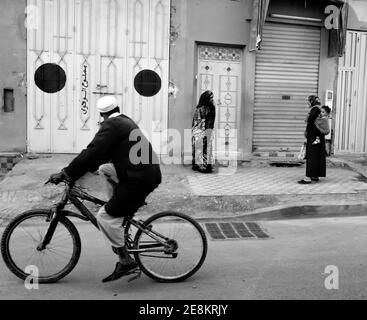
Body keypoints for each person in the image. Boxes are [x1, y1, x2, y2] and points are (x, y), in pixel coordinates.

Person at [49, 95, 162, 282]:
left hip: (138, 179)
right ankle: (118, 210)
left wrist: (66, 173)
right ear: (117, 107)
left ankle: (126, 260)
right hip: (143, 172)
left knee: (104, 216)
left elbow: (93, 151)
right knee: (104, 169)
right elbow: (101, 156)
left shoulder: (112, 126)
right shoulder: (124, 121)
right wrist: (79, 171)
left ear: (101, 114)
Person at [298, 95, 326, 184]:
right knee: (317, 155)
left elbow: (310, 123)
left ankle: (308, 178)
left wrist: (307, 133)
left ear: (312, 102)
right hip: (319, 136)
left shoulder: (314, 109)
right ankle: (315, 175)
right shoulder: (319, 109)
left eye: (309, 101)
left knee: (311, 156)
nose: (307, 103)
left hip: (314, 136)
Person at [192, 90, 216, 173]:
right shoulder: (200, 109)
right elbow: (196, 122)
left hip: (208, 130)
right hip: (200, 131)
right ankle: (200, 165)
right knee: (200, 148)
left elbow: (211, 121)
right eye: (210, 98)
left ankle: (206, 166)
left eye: (212, 97)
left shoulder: (212, 107)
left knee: (207, 148)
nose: (212, 99)